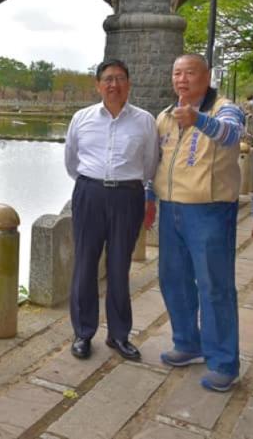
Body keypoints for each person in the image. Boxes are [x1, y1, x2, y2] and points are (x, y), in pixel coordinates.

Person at [150, 54, 245, 392]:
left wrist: (198, 119)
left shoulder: (224, 108)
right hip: (171, 208)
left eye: (190, 72)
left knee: (214, 286)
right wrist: (150, 198)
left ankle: (223, 361)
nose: (183, 79)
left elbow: (233, 135)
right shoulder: (165, 116)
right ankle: (188, 342)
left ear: (207, 76)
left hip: (209, 210)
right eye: (177, 73)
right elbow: (156, 162)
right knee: (173, 279)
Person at [64, 58, 159, 362]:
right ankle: (83, 332)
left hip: (127, 196)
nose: (113, 84)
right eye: (107, 79)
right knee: (85, 264)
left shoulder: (145, 120)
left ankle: (119, 335)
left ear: (128, 84)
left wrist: (137, 190)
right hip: (89, 193)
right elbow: (71, 160)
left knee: (119, 267)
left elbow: (150, 163)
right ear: (98, 85)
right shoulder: (82, 118)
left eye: (119, 78)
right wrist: (92, 184)